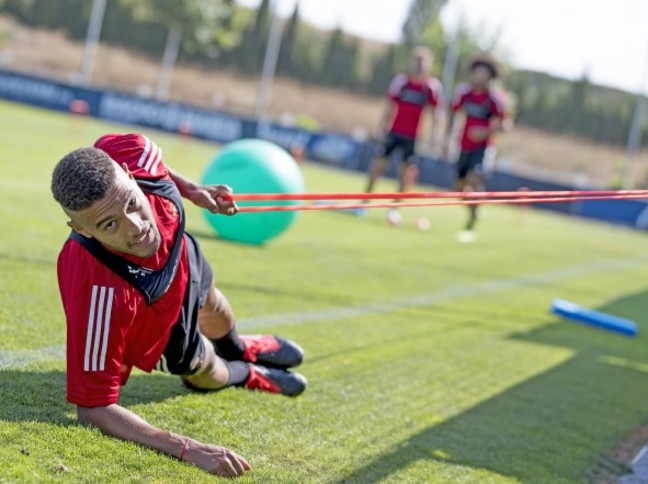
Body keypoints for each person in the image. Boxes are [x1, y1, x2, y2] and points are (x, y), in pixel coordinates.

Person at [51, 133, 307, 478]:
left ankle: (241, 346)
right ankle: (247, 372)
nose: (137, 227)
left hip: (179, 253)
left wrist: (192, 190)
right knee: (206, 372)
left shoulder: (135, 153)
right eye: (109, 224)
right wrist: (186, 448)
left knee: (215, 305)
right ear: (80, 228)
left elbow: (157, 167)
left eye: (131, 203)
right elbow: (94, 407)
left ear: (128, 175)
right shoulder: (95, 285)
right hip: (154, 317)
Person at [363, 46, 443, 226]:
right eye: (417, 61)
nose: (419, 66)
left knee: (404, 174)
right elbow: (389, 106)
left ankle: (394, 210)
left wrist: (435, 136)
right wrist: (382, 128)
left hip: (412, 137)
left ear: (428, 65)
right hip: (393, 133)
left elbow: (435, 114)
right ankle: (363, 204)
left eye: (423, 63)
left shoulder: (430, 87)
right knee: (377, 167)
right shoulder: (401, 82)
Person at [447, 54, 512, 243]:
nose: (480, 77)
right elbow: (453, 113)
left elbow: (506, 125)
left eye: (484, 75)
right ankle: (474, 210)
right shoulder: (464, 93)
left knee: (475, 179)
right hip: (463, 147)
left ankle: (472, 219)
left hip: (483, 149)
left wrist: (485, 131)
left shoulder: (494, 99)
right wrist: (446, 138)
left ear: (490, 77)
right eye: (477, 73)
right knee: (458, 188)